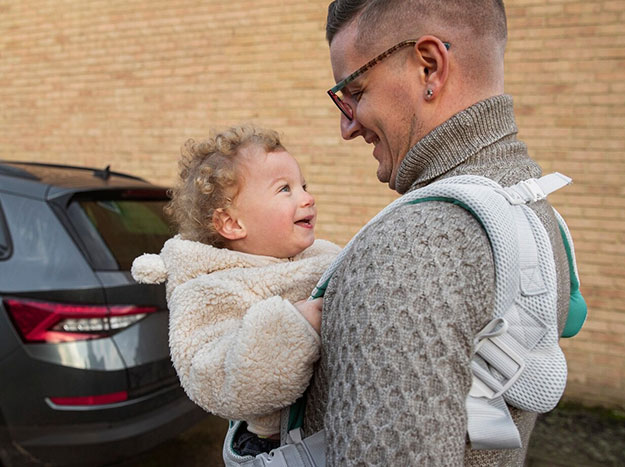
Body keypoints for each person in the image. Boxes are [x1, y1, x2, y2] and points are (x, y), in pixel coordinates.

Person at [301, 1, 572, 465]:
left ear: (429, 67)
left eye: (355, 91)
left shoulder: (406, 251)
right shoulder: (532, 206)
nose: (347, 125)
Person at [130, 125, 340, 457]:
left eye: (303, 185)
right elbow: (216, 379)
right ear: (231, 223)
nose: (307, 197)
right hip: (277, 446)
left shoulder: (319, 257)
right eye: (285, 189)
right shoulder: (209, 289)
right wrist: (295, 326)